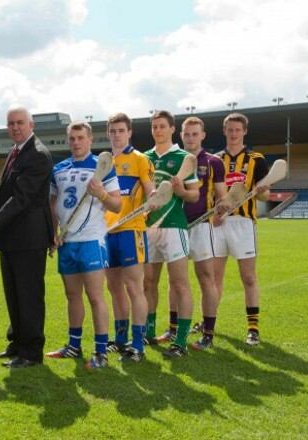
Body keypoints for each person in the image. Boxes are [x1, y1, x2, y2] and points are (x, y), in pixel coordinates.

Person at [0, 106, 53, 369]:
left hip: (29, 239)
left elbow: (21, 199)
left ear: (31, 124)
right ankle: (18, 343)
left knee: (29, 295)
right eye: (11, 123)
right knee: (14, 294)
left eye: (20, 122)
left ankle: (32, 352)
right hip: (12, 239)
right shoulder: (15, 151)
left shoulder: (38, 155)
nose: (15, 127)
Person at [45, 121, 121, 369]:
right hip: (67, 241)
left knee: (96, 296)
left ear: (90, 140)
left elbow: (117, 205)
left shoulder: (102, 166)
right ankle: (73, 346)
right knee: (72, 295)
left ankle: (101, 352)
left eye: (80, 138)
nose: (76, 142)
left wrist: (100, 193)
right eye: (72, 138)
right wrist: (54, 230)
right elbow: (53, 202)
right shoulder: (58, 168)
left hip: (91, 239)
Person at [143, 110, 199, 359]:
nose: (158, 130)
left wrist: (180, 190)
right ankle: (149, 332)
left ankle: (181, 342)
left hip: (174, 227)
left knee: (179, 284)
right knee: (148, 283)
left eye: (162, 126)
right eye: (154, 126)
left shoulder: (183, 158)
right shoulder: (144, 158)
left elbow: (194, 195)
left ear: (172, 129)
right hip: (148, 228)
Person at [213, 113, 270, 346]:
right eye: (230, 129)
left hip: (244, 224)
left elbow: (265, 195)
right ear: (224, 131)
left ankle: (253, 328)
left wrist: (263, 189)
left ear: (244, 131)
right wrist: (216, 212)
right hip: (218, 223)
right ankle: (209, 323)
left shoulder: (256, 159)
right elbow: (211, 195)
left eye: (238, 130)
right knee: (214, 277)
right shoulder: (215, 159)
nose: (234, 133)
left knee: (248, 277)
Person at [104, 113, 156, 362]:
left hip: (131, 230)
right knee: (114, 288)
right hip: (106, 233)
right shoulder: (102, 162)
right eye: (113, 131)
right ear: (108, 133)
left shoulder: (139, 159)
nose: (116, 135)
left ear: (129, 132)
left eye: (121, 130)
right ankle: (121, 338)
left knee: (134, 287)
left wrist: (154, 200)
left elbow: (151, 190)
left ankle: (138, 344)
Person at [180, 117, 226, 350]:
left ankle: (208, 333)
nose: (190, 138)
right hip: (175, 226)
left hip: (200, 225)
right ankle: (174, 329)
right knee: (176, 281)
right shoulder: (175, 160)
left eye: (194, 134)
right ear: (181, 135)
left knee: (206, 278)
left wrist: (222, 210)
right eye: (187, 134)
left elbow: (222, 195)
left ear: (203, 136)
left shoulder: (213, 162)